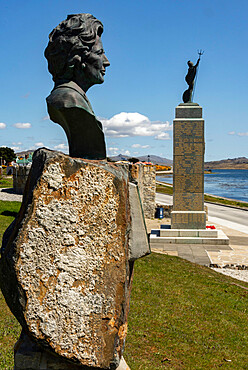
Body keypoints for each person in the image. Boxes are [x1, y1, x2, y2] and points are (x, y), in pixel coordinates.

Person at [45, 13, 110, 159]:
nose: (106, 62)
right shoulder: (68, 100)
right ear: (78, 58)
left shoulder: (74, 98)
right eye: (99, 53)